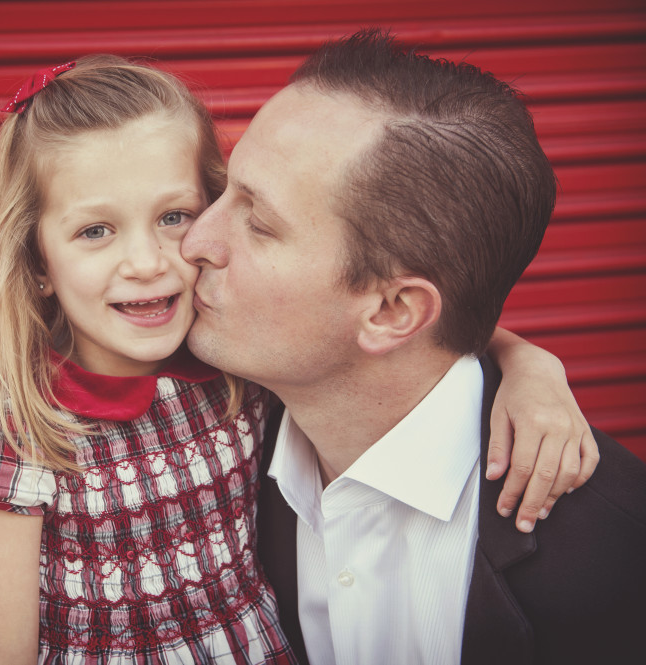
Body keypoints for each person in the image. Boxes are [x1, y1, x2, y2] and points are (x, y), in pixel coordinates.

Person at [0, 55, 599, 664]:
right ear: (37, 261)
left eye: (177, 215)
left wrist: (527, 363)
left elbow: (413, 318)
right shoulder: (13, 429)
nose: (153, 261)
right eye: (96, 231)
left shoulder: (230, 368)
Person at [181, 29, 646, 665]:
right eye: (224, 189)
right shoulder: (198, 448)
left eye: (258, 223)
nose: (194, 242)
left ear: (394, 310)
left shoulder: (617, 555)